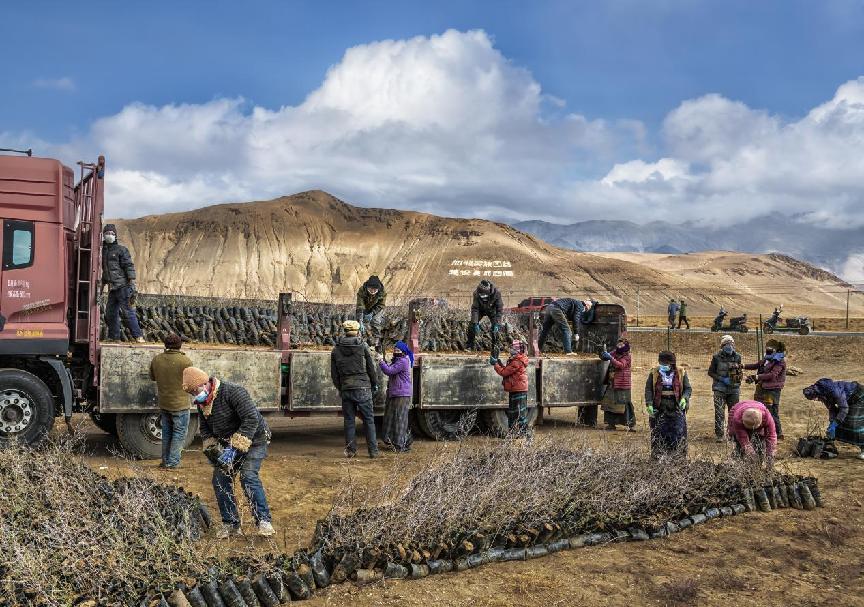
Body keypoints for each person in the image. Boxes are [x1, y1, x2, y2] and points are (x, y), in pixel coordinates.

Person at [181, 366, 275, 538]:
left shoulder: (233, 392)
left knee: (248, 476)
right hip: (229, 444)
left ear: (204, 383)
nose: (195, 395)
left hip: (255, 440)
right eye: (192, 393)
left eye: (195, 391)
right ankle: (231, 524)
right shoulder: (203, 403)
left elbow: (251, 418)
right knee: (220, 479)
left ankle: (264, 521)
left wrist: (235, 447)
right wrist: (212, 450)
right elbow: (205, 429)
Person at [331, 320, 380, 458]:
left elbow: (334, 374)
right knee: (369, 420)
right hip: (363, 388)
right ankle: (373, 451)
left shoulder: (336, 349)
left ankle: (351, 451)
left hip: (346, 388)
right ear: (357, 331)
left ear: (345, 331)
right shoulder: (363, 346)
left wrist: (341, 387)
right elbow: (371, 367)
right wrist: (374, 383)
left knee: (349, 421)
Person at [149, 334, 193, 468]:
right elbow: (191, 382)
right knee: (179, 433)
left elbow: (152, 377)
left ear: (165, 345)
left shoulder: (157, 359)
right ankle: (173, 463)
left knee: (167, 433)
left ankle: (165, 461)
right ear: (180, 345)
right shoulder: (185, 361)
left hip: (164, 403)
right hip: (180, 405)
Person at [101, 223, 144, 342]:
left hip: (124, 287)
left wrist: (131, 284)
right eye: (107, 233)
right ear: (103, 235)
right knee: (110, 313)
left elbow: (128, 266)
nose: (109, 235)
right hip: (113, 288)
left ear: (115, 235)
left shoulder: (121, 250)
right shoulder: (103, 251)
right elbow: (105, 271)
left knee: (128, 312)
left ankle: (138, 336)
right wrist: (102, 287)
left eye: (112, 233)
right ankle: (114, 337)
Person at [644, 351, 691, 457]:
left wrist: (684, 398)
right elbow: (648, 389)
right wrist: (649, 404)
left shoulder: (681, 372)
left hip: (676, 407)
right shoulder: (654, 372)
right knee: (658, 432)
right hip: (659, 407)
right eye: (661, 363)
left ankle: (678, 457)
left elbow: (688, 388)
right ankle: (658, 457)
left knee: (678, 433)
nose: (663, 366)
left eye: (666, 364)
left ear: (672, 363)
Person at [803, 379, 864, 460]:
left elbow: (844, 409)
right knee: (841, 422)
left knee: (854, 424)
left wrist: (835, 424)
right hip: (849, 400)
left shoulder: (835, 392)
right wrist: (832, 423)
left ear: (819, 393)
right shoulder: (824, 394)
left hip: (860, 397)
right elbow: (832, 410)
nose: (815, 400)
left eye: (815, 397)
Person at [744, 339, 787, 440]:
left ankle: (778, 434)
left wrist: (757, 377)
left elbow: (772, 375)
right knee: (760, 410)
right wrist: (743, 366)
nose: (768, 351)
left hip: (773, 390)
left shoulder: (780, 362)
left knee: (772, 412)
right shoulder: (767, 359)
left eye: (770, 349)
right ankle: (764, 432)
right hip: (763, 388)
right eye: (767, 349)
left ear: (776, 350)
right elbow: (756, 365)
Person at [491, 339, 530, 436]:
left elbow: (504, 372)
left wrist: (495, 364)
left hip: (518, 390)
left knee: (518, 414)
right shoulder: (516, 359)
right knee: (513, 413)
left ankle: (524, 435)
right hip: (516, 389)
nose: (510, 349)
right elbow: (507, 370)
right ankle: (513, 434)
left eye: (512, 347)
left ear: (517, 350)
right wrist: (499, 363)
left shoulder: (517, 361)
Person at [379, 340, 414, 452]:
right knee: (391, 418)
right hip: (396, 393)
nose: (396, 351)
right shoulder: (398, 360)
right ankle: (392, 441)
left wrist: (381, 362)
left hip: (401, 394)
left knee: (400, 419)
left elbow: (389, 371)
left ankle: (400, 445)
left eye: (398, 350)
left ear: (403, 352)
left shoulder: (403, 361)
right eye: (395, 349)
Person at [708, 335, 743, 442]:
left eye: (731, 343)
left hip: (734, 389)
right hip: (719, 389)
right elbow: (710, 372)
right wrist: (722, 379)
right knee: (719, 412)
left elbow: (739, 371)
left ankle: (732, 434)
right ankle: (719, 435)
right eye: (727, 344)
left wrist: (738, 378)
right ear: (722, 346)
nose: (729, 346)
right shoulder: (716, 357)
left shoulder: (737, 357)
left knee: (734, 412)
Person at [600, 337, 635, 431]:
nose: (619, 346)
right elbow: (605, 357)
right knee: (610, 403)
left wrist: (610, 358)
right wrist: (603, 353)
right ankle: (611, 424)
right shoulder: (615, 352)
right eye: (618, 344)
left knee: (624, 403)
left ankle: (630, 424)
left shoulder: (627, 356)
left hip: (622, 384)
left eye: (621, 345)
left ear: (626, 346)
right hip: (612, 382)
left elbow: (621, 365)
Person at [727, 400, 777, 464]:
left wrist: (770, 455)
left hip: (757, 409)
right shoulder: (737, 419)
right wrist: (751, 453)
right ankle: (737, 460)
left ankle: (758, 463)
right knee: (739, 442)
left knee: (760, 441)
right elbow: (743, 439)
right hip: (737, 409)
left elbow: (771, 436)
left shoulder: (767, 417)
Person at [468, 280, 504, 351]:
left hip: (492, 311)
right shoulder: (476, 293)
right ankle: (470, 344)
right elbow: (475, 309)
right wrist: (475, 323)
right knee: (471, 325)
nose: (483, 297)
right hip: (480, 310)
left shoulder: (497, 293)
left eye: (484, 295)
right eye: (481, 295)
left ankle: (495, 346)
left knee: (495, 328)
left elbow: (499, 310)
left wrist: (497, 323)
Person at [355, 275, 386, 351]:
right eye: (370, 289)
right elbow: (360, 304)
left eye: (374, 289)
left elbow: (381, 305)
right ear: (367, 287)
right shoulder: (362, 290)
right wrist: (360, 319)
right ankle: (361, 342)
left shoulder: (382, 292)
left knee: (375, 321)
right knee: (360, 322)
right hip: (365, 307)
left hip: (377, 308)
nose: (372, 291)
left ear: (378, 289)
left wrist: (372, 313)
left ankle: (377, 342)